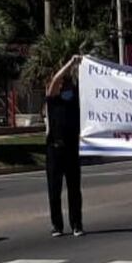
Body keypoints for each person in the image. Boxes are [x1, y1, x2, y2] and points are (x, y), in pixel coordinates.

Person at [46, 55, 84, 237]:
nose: (64, 87)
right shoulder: (53, 101)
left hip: (71, 149)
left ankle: (77, 224)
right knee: (54, 191)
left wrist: (82, 66)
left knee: (74, 190)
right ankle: (57, 226)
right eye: (63, 85)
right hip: (54, 149)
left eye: (67, 85)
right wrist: (70, 63)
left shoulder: (75, 101)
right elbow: (54, 80)